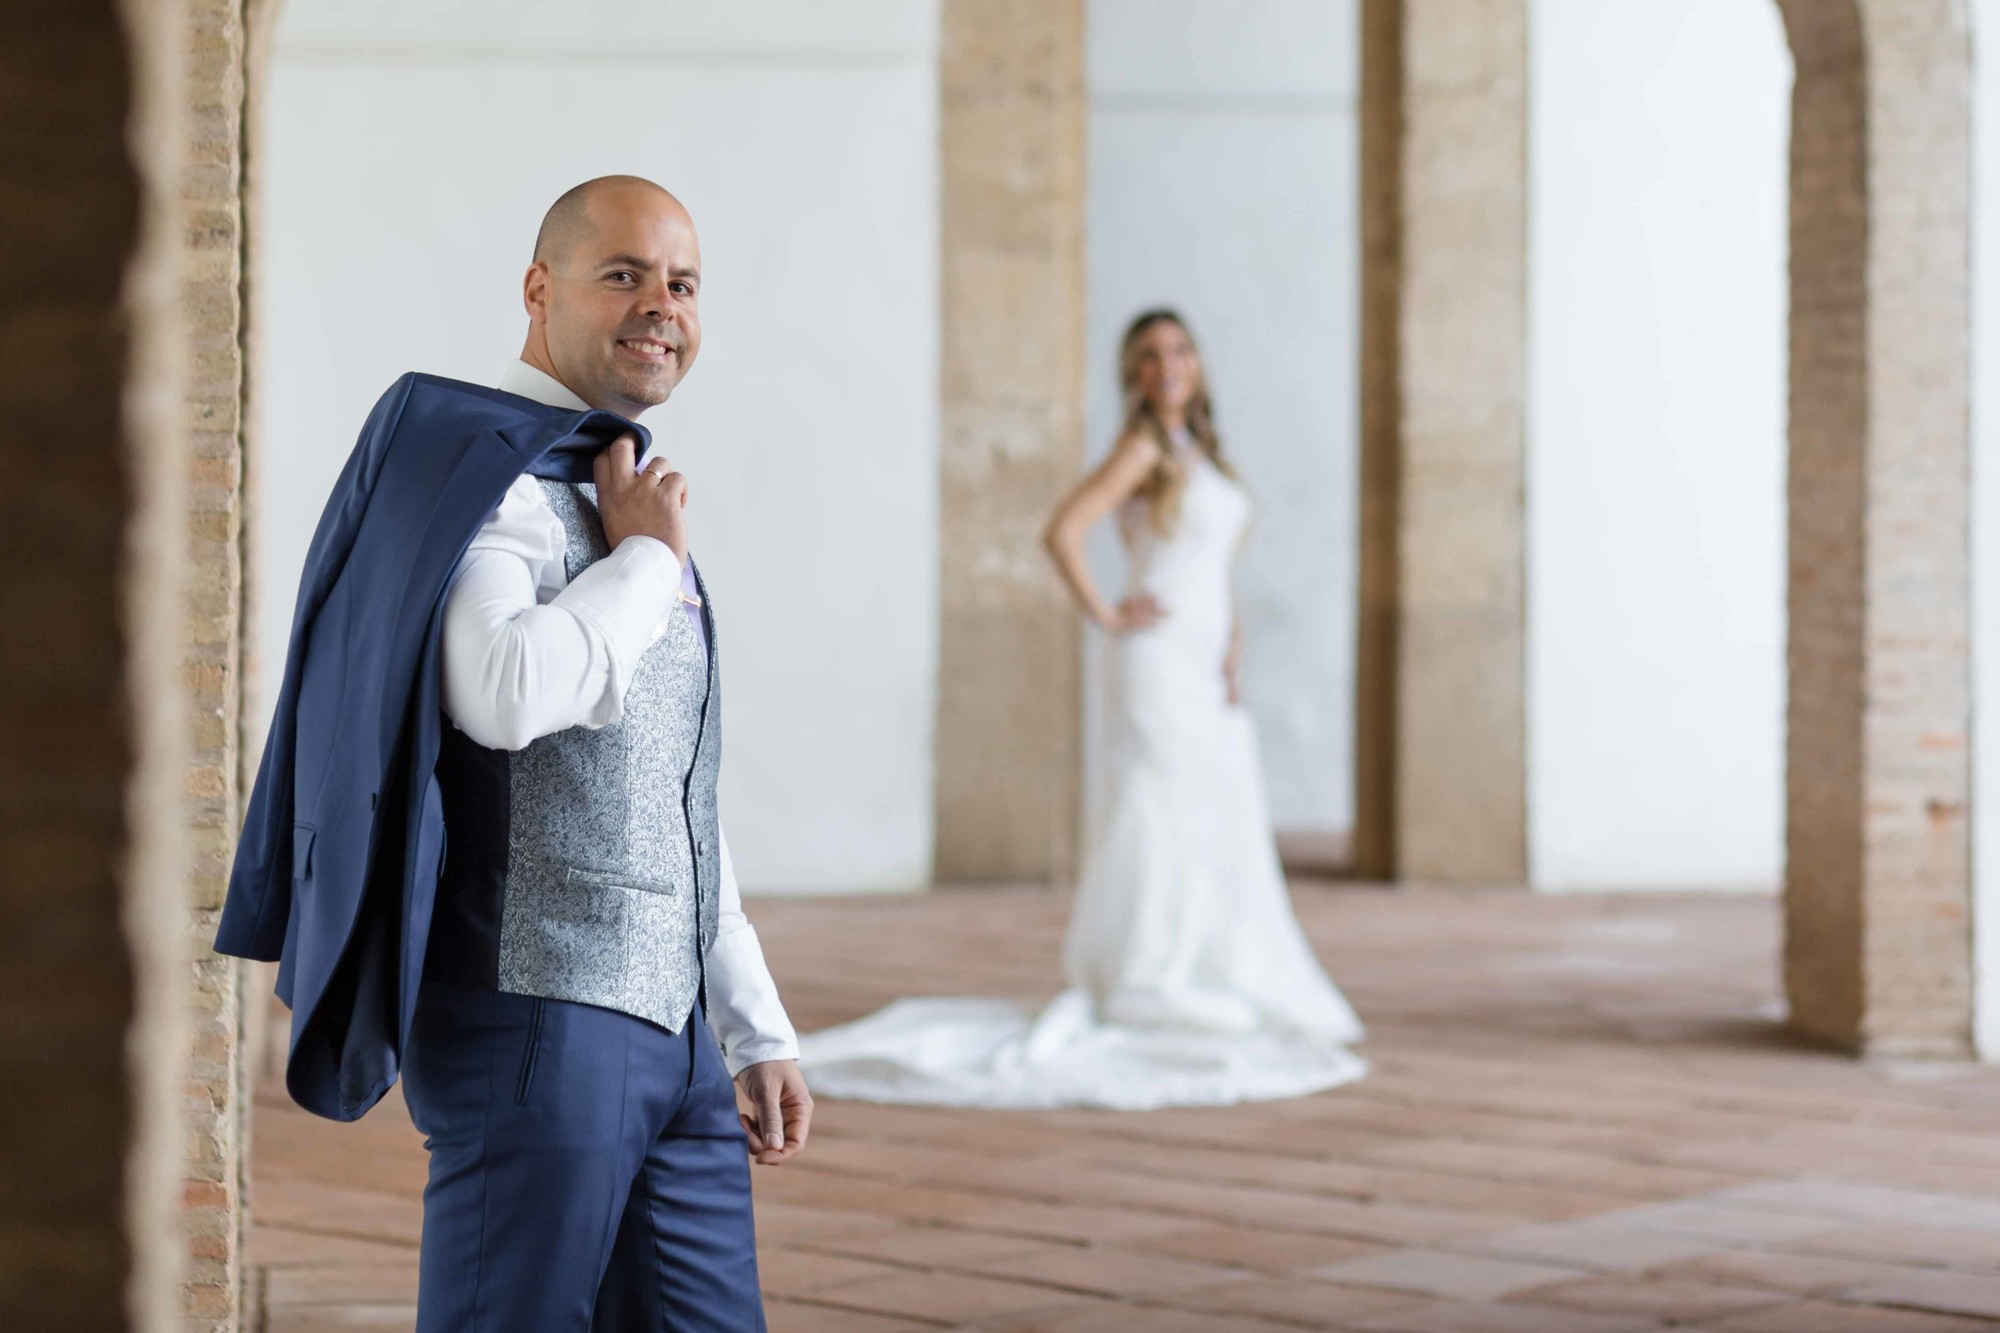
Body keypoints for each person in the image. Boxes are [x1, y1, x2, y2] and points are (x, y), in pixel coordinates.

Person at [215, 176, 807, 1330]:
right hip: (536, 1025)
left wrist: (751, 1021)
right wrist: (645, 566)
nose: (659, 307)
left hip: (679, 1044)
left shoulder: (623, 491)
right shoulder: (483, 480)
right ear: (540, 291)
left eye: (680, 283)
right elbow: (500, 692)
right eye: (622, 274)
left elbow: (674, 788)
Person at [798, 308, 1364, 1110]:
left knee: (1210, 808)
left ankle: (1203, 960)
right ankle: (1151, 970)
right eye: (1148, 356)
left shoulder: (1202, 452)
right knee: (1159, 807)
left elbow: (1210, 562)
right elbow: (1063, 530)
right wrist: (1106, 611)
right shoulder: (1144, 448)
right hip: (1155, 660)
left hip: (1202, 657)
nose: (1166, 365)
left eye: (1177, 350)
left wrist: (1231, 636)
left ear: (1197, 363)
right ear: (1132, 375)